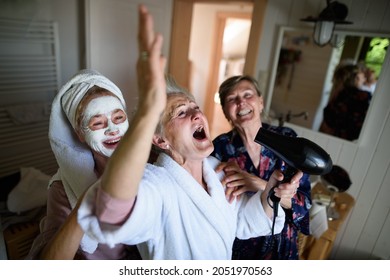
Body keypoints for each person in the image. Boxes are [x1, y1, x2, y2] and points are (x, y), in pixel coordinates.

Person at [76, 5, 299, 260]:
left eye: (195, 107)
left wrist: (269, 192)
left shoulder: (216, 170)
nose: (196, 114)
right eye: (181, 112)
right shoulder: (156, 185)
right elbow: (112, 214)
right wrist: (148, 113)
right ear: (159, 139)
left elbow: (241, 222)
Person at [26, 69, 141, 260]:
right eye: (97, 123)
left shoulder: (150, 166)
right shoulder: (62, 189)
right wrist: (86, 205)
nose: (112, 129)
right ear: (80, 134)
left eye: (118, 118)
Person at [211, 75, 312, 260]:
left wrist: (259, 184)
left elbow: (304, 204)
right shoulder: (218, 148)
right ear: (226, 111)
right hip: (241, 247)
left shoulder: (287, 138)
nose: (241, 102)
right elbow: (216, 205)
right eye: (232, 99)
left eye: (247, 95)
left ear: (261, 102)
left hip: (282, 248)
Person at [319, 63, 372, 141]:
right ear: (355, 78)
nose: (364, 80)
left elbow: (327, 123)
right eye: (362, 77)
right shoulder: (363, 97)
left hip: (333, 139)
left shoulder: (337, 96)